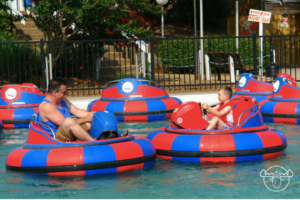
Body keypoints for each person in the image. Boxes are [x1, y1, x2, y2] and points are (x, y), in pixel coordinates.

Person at [38, 78, 96, 142]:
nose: (65, 94)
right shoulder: (47, 106)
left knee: (90, 123)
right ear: (54, 93)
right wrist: (86, 119)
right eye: (64, 92)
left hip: (69, 132)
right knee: (68, 121)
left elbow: (77, 111)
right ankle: (93, 142)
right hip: (57, 139)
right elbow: (65, 123)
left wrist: (93, 115)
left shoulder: (62, 99)